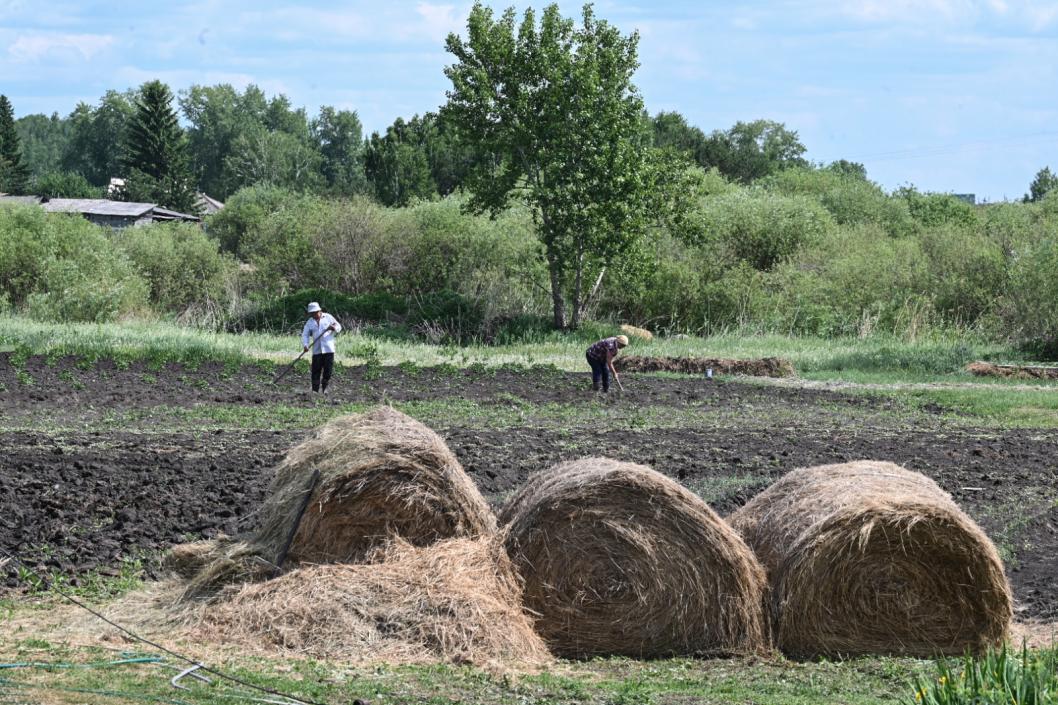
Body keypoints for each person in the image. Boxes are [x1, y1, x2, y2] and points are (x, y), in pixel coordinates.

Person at [301, 302, 342, 394]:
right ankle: (315, 391)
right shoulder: (310, 322)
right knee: (316, 370)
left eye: (315, 313)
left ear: (319, 311)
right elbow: (305, 334)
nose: (313, 315)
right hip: (317, 350)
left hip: (328, 349)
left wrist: (333, 328)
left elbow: (339, 326)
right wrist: (305, 345)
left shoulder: (328, 317)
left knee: (328, 370)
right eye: (311, 313)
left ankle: (325, 389)